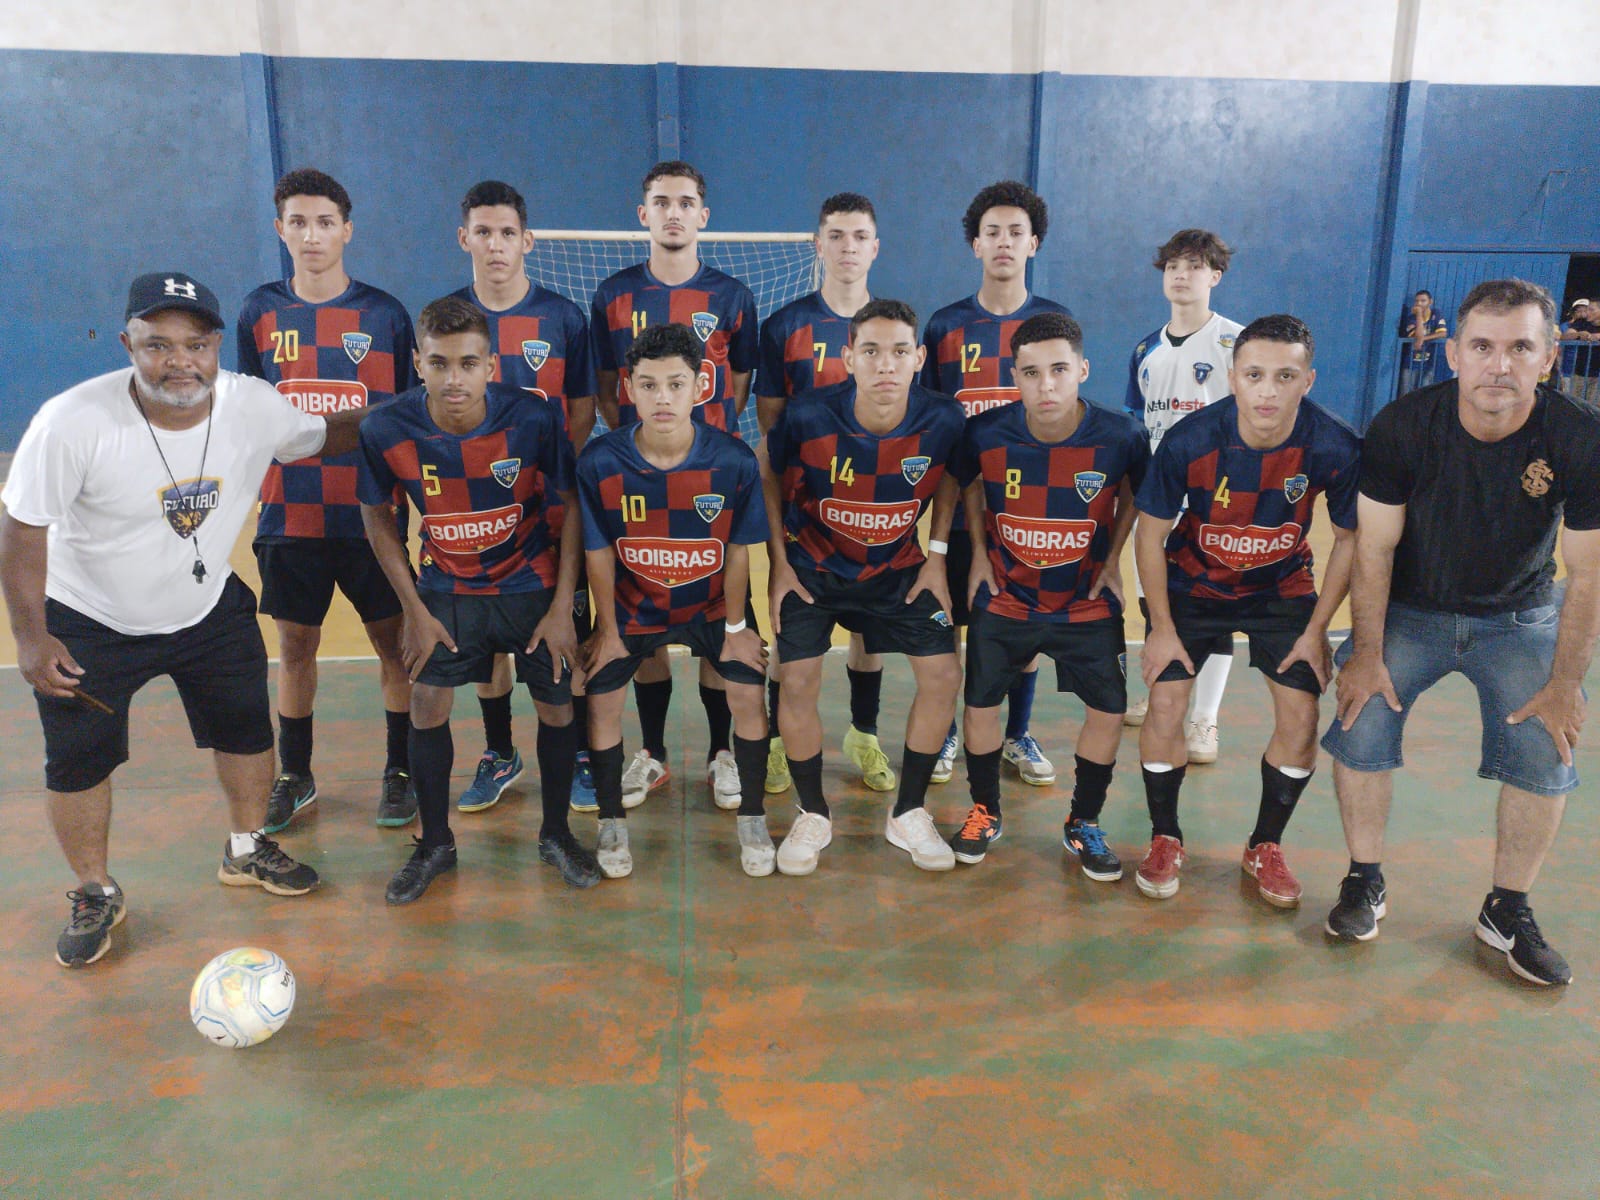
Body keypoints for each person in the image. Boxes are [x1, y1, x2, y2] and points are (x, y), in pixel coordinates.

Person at [0, 272, 350, 968]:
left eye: (195, 344)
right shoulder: (72, 422)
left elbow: (320, 438)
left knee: (247, 732)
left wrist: (422, 410)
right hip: (90, 619)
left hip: (205, 606)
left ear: (217, 346)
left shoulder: (253, 405)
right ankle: (95, 890)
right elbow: (21, 528)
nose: (179, 361)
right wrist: (32, 637)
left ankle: (246, 847)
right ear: (127, 344)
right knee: (78, 761)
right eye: (158, 345)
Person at [1322, 279, 1600, 987]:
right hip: (1410, 610)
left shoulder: (1579, 437)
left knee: (1546, 746)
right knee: (1360, 721)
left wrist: (1565, 683)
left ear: (1549, 356)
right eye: (1482, 346)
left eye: (1520, 348)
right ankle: (1364, 880)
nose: (1499, 366)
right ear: (1453, 354)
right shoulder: (1403, 427)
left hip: (1518, 618)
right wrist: (1367, 653)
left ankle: (1507, 908)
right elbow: (1374, 547)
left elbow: (1588, 573)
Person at [357, 296, 599, 903]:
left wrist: (562, 605)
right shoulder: (385, 427)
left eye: (468, 363)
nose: (454, 379)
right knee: (426, 703)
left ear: (491, 365)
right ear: (418, 363)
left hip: (529, 583)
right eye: (439, 364)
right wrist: (414, 611)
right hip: (446, 588)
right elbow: (377, 516)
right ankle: (435, 844)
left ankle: (556, 834)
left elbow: (571, 506)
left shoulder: (532, 418)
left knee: (557, 706)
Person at [1133, 314, 1359, 906]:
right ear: (1233, 377)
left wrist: (1317, 630)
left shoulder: (1333, 444)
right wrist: (1160, 628)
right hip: (1192, 586)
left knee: (1302, 716)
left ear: (1307, 380)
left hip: (1280, 591)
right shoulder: (1190, 440)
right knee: (1166, 703)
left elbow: (1351, 541)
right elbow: (1148, 535)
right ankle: (1165, 836)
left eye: (1285, 376)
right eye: (1254, 375)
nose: (1268, 391)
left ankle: (1265, 845)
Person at [236, 168, 418, 832]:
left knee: (394, 646)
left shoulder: (385, 315)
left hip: (371, 516)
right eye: (298, 222)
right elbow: (250, 413)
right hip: (290, 514)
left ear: (347, 230)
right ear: (280, 230)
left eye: (324, 222)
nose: (311, 235)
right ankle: (296, 774)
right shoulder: (260, 312)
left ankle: (400, 770)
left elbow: (404, 419)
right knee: (295, 646)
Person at [762, 299, 964, 875]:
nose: (885, 364)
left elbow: (954, 476)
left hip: (897, 569)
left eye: (899, 351)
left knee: (944, 675)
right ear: (848, 358)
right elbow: (767, 471)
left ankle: (909, 812)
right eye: (871, 351)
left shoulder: (944, 418)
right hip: (814, 568)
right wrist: (779, 564)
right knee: (796, 676)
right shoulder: (807, 415)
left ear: (918, 358)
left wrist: (937, 556)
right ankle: (813, 813)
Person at [590, 160, 760, 812]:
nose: (673, 213)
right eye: (661, 201)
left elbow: (737, 386)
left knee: (716, 620)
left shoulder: (732, 296)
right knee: (645, 621)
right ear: (644, 214)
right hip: (636, 483)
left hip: (711, 485)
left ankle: (722, 753)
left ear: (703, 216)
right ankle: (654, 752)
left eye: (686, 202)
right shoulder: (612, 295)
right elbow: (607, 386)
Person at [952, 312, 1149, 872]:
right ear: (1014, 375)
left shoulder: (1122, 435)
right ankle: (985, 809)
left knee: (1108, 710)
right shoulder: (985, 432)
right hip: (1006, 593)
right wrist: (979, 553)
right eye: (1032, 372)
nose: (1046, 385)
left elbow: (1136, 492)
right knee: (979, 706)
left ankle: (1083, 821)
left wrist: (1115, 558)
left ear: (1082, 370)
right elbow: (965, 482)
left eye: (1059, 369)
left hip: (1085, 597)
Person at [579, 324, 773, 878]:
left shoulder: (733, 460)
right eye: (648, 385)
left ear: (700, 386)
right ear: (628, 388)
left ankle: (753, 817)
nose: (662, 398)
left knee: (747, 689)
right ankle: (611, 822)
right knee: (601, 698)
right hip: (635, 606)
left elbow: (736, 551)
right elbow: (598, 553)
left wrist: (735, 627)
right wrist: (608, 630)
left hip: (711, 605)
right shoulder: (600, 462)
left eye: (675, 384)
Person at [451, 179, 600, 815]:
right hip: (477, 513)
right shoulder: (447, 317)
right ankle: (499, 751)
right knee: (487, 644)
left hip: (551, 513)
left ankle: (584, 753)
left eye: (507, 233)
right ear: (464, 239)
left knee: (566, 633)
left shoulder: (563, 317)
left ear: (527, 241)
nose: (495, 244)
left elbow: (583, 409)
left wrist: (546, 475)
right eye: (483, 232)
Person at [922, 180, 1073, 787]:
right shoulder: (945, 326)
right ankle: (948, 730)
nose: (1004, 242)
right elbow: (933, 426)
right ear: (975, 245)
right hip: (963, 511)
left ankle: (1017, 733)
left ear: (1033, 243)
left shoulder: (1054, 323)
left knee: (1023, 630)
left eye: (1016, 232)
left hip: (1030, 513)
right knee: (955, 623)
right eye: (993, 232)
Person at [754, 192, 894, 797]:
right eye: (836, 236)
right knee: (793, 635)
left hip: (874, 512)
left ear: (875, 247)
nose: (847, 247)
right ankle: (778, 742)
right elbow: (771, 431)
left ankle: (864, 733)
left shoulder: (892, 327)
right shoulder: (784, 327)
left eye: (859, 236)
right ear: (818, 246)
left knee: (869, 633)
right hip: (805, 516)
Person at [1123, 230, 1244, 764]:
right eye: (1173, 265)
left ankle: (1204, 718)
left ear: (1215, 276)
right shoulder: (1144, 349)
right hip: (1159, 495)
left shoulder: (1236, 342)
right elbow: (1137, 424)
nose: (1181, 274)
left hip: (1217, 496)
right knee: (1156, 598)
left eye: (1194, 265)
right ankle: (1162, 693)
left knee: (1212, 607)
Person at [1397, 289, 1449, 396]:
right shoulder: (1412, 318)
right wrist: (1419, 315)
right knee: (1406, 395)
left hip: (1428, 363)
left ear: (1430, 302)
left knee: (1425, 395)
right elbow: (1418, 336)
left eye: (1423, 301)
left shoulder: (1436, 314)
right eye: (1417, 301)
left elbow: (1443, 333)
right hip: (1411, 363)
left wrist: (1423, 339)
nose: (1419, 304)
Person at [1560, 297, 1599, 403]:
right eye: (1587, 309)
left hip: (1597, 376)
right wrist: (1579, 334)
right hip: (1579, 373)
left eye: (1591, 310)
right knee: (1574, 404)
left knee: (1593, 408)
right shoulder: (1581, 322)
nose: (1587, 313)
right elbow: (1564, 336)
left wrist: (1597, 336)